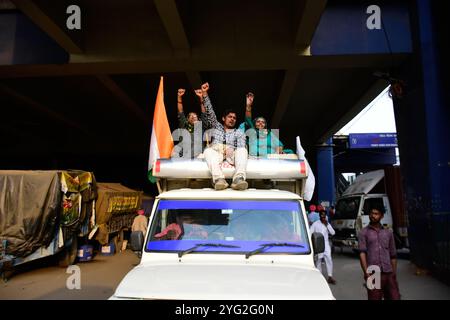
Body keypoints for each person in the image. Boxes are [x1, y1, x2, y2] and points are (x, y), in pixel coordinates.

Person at [200, 82, 248, 191]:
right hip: (217, 153)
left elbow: (241, 145)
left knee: (242, 150)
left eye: (234, 118)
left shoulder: (239, 132)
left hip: (232, 155)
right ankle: (219, 180)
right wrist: (204, 93)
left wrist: (231, 149)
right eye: (229, 117)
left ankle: (238, 179)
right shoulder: (216, 126)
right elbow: (210, 112)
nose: (232, 119)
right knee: (207, 150)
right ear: (223, 118)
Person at [358, 204, 400, 300]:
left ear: (382, 216)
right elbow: (362, 254)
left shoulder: (388, 233)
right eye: (371, 213)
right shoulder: (364, 233)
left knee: (395, 297)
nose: (373, 215)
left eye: (376, 214)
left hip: (388, 272)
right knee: (374, 298)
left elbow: (393, 255)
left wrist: (393, 274)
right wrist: (366, 273)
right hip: (373, 273)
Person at [239, 92, 286, 157]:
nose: (261, 123)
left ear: (265, 125)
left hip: (271, 160)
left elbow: (279, 145)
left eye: (263, 122)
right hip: (255, 159)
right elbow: (248, 119)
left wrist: (276, 154)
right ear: (254, 124)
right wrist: (248, 106)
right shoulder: (252, 132)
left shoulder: (269, 134)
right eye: (258, 121)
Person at [174, 88, 206, 158]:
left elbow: (204, 112)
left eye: (195, 116)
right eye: (190, 116)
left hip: (199, 156)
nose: (192, 117)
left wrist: (201, 97)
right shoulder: (184, 126)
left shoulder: (200, 126)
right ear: (187, 119)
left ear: (198, 119)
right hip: (185, 156)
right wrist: (179, 97)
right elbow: (180, 112)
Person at [310, 211, 336, 284]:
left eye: (324, 216)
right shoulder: (315, 224)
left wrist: (327, 224)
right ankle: (319, 277)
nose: (323, 217)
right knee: (318, 260)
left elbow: (333, 233)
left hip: (326, 243)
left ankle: (330, 276)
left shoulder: (327, 223)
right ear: (319, 216)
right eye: (322, 216)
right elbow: (310, 232)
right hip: (318, 244)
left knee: (329, 258)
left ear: (326, 216)